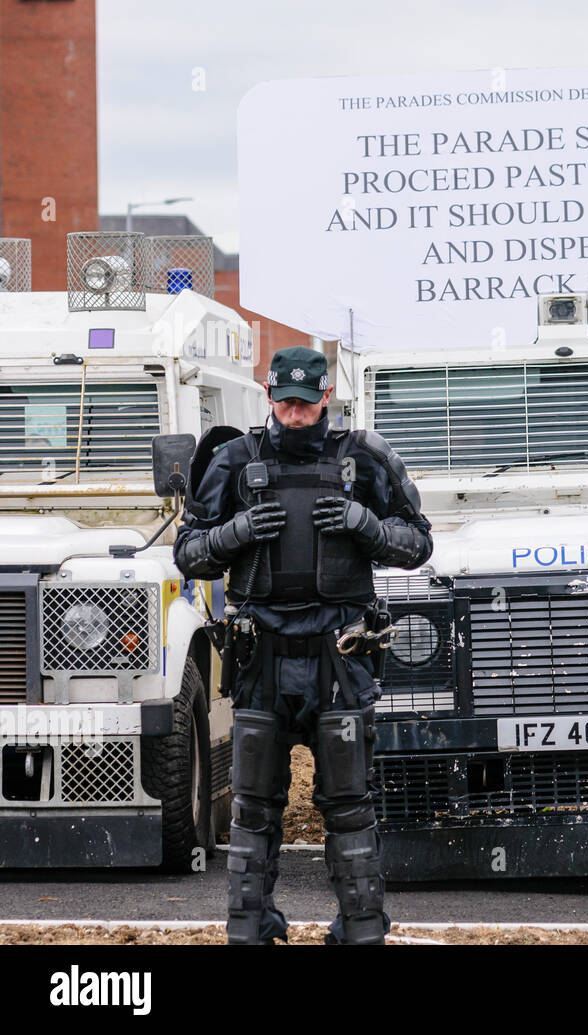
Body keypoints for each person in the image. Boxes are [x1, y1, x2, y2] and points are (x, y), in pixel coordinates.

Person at [174, 346, 432, 945]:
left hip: (338, 654)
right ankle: (248, 928)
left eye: (306, 404)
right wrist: (234, 533)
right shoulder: (235, 460)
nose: (295, 415)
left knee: (348, 805)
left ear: (326, 399)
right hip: (261, 653)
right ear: (268, 396)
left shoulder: (363, 457)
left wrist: (364, 525)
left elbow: (418, 544)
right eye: (285, 403)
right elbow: (188, 553)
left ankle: (362, 931)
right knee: (254, 807)